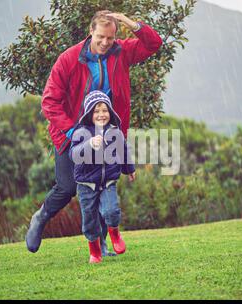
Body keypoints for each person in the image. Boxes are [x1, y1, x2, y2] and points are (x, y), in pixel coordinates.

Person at [26, 10, 162, 254]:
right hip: (71, 133)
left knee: (100, 184)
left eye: (110, 38)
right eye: (100, 37)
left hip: (106, 133)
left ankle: (100, 245)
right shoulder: (68, 59)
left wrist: (131, 23)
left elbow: (154, 44)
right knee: (67, 187)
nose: (105, 43)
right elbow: (49, 102)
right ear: (91, 32)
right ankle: (41, 217)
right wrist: (72, 131)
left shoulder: (121, 52)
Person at [69, 90, 135, 263]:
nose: (101, 114)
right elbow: (74, 155)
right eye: (96, 111)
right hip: (86, 184)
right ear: (89, 113)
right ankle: (95, 251)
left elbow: (124, 151)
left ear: (110, 112)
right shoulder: (81, 132)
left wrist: (129, 169)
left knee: (111, 211)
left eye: (104, 110)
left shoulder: (115, 132)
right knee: (90, 221)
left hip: (108, 181)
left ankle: (115, 234)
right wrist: (89, 144)